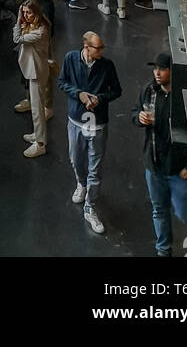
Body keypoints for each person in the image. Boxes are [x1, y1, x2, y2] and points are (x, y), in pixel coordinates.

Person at [133, 53, 187, 257]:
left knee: (184, 213)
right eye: (155, 68)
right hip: (154, 167)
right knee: (159, 210)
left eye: (162, 69)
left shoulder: (183, 97)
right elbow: (135, 112)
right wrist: (139, 117)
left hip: (178, 171)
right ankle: (163, 250)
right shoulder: (148, 91)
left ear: (172, 71)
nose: (157, 73)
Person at [58, 30, 122, 234]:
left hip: (98, 123)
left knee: (95, 166)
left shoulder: (107, 65)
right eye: (98, 47)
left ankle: (90, 207)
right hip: (76, 120)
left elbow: (117, 90)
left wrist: (99, 99)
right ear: (86, 47)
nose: (102, 50)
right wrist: (79, 95)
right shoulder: (70, 59)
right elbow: (62, 82)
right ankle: (81, 183)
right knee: (76, 158)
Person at [13, 0, 51, 158]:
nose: (26, 16)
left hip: (36, 71)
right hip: (34, 69)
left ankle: (40, 144)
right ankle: (38, 134)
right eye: (24, 13)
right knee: (37, 107)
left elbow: (17, 39)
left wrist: (17, 21)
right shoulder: (38, 25)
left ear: (36, 13)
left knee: (36, 109)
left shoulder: (39, 31)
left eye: (28, 13)